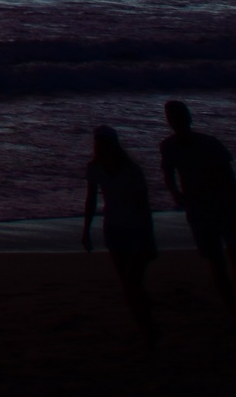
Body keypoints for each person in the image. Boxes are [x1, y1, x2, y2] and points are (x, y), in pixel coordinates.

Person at [160, 100, 236, 317]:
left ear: (187, 118)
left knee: (234, 259)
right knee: (218, 262)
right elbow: (168, 175)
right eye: (173, 118)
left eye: (178, 117)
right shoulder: (169, 147)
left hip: (221, 206)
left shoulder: (209, 144)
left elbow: (229, 180)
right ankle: (235, 310)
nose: (176, 122)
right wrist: (176, 194)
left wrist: (232, 208)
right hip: (199, 209)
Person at [82, 124, 159, 347]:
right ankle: (145, 328)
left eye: (106, 142)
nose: (102, 146)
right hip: (113, 229)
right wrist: (86, 231)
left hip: (135, 229)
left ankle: (149, 329)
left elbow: (144, 206)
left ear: (115, 143)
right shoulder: (95, 168)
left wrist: (149, 238)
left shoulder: (132, 170)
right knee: (128, 284)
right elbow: (91, 201)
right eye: (99, 142)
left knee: (132, 282)